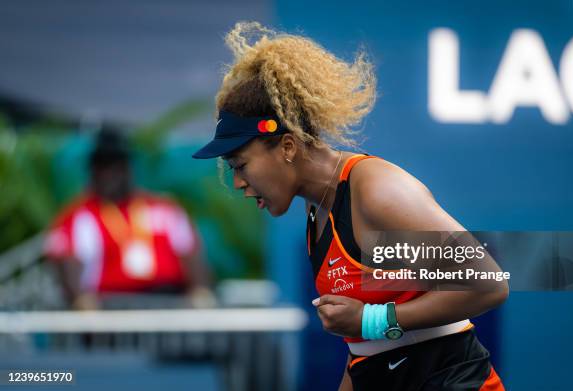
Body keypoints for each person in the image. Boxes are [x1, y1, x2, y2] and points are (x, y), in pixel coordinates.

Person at [193, 22, 507, 390]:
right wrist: (367, 326)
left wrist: (372, 320)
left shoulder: (376, 191)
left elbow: (487, 284)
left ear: (288, 147)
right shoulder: (318, 212)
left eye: (241, 166)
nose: (239, 184)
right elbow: (366, 352)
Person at [45, 128, 214, 310]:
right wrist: (79, 299)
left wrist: (201, 290)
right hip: (111, 308)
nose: (109, 174)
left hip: (168, 301)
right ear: (92, 171)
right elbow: (66, 260)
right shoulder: (77, 215)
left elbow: (190, 251)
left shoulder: (163, 207)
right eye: (102, 167)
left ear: (127, 168)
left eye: (116, 166)